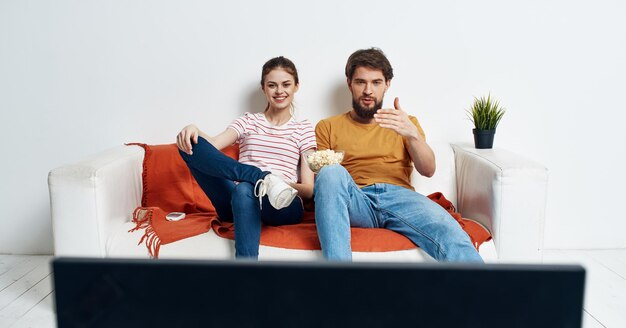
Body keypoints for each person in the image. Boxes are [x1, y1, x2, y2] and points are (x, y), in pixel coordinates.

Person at [313, 48, 483, 262]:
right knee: (330, 172)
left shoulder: (404, 122)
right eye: (360, 82)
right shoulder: (327, 126)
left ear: (387, 84)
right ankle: (341, 287)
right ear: (349, 84)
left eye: (376, 82)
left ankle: (488, 292)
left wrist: (411, 134)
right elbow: (325, 186)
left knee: (450, 233)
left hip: (400, 199)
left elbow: (428, 170)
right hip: (356, 200)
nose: (368, 90)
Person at [176, 56, 316, 259]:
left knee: (245, 187)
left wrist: (273, 184)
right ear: (263, 88)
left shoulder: (303, 129)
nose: (279, 91)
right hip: (239, 200)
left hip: (282, 203)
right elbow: (212, 148)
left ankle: (260, 179)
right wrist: (194, 129)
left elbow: (308, 190)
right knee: (189, 145)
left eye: (286, 84)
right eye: (272, 85)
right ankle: (257, 176)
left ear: (296, 87)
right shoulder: (248, 121)